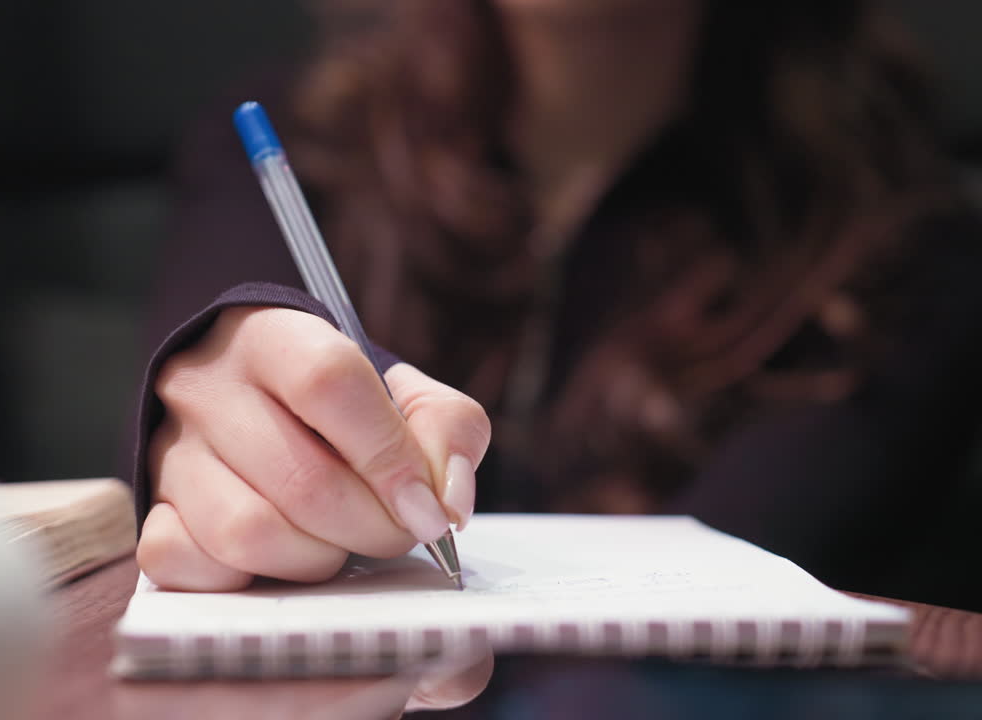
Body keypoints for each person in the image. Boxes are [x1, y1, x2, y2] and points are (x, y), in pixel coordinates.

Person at [137, 0, 982, 607]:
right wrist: (250, 400)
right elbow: (206, 366)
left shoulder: (891, 239)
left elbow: (739, 596)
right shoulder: (298, 136)